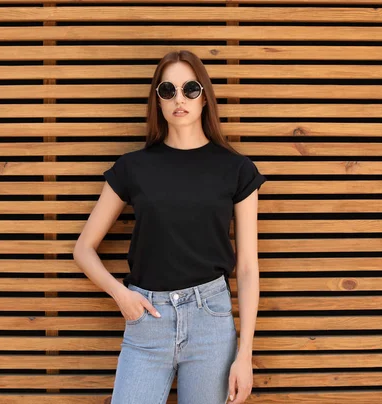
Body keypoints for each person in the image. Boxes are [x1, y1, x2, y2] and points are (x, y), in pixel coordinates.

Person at [73, 50, 266, 404]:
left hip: (211, 322)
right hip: (148, 320)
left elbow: (249, 267)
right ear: (157, 100)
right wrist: (122, 295)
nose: (180, 99)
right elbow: (83, 249)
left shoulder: (237, 170)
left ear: (204, 96)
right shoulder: (134, 168)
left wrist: (245, 354)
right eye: (168, 90)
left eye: (190, 89)